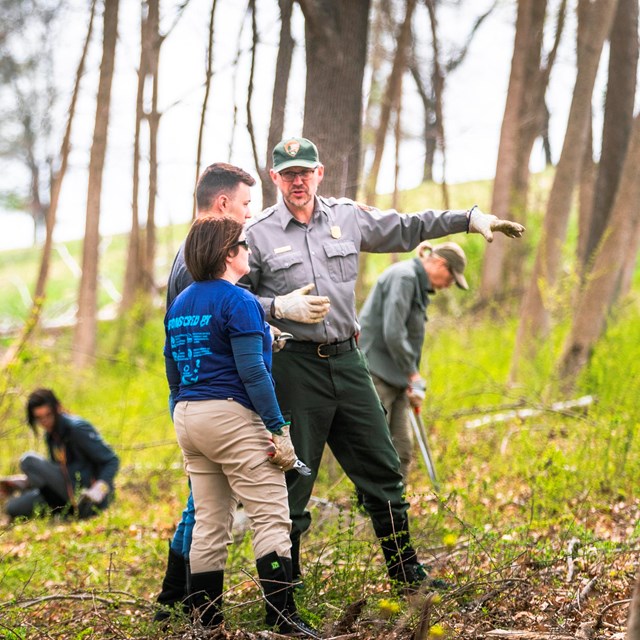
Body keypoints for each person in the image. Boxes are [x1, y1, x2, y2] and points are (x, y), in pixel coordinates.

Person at [243, 136, 525, 591]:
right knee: (290, 482)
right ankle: (283, 597)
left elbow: (410, 226)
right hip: (294, 367)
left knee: (384, 467)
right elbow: (232, 299)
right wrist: (277, 308)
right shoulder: (256, 234)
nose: (298, 181)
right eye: (289, 174)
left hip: (349, 363)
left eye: (305, 172)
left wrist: (468, 219)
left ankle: (406, 574)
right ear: (274, 178)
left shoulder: (348, 217)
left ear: (319, 173)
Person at [155, 162, 327, 628]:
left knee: (210, 522)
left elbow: (176, 363)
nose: (249, 245)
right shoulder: (241, 301)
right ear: (228, 254)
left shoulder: (182, 303)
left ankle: (205, 622)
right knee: (272, 515)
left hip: (189, 416)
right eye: (243, 242)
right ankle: (282, 616)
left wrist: (183, 406)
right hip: (231, 416)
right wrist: (279, 430)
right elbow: (253, 374)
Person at [359, 241, 469, 482]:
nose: (449, 285)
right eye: (451, 278)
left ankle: (395, 515)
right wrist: (413, 375)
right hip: (376, 374)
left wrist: (409, 377)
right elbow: (393, 332)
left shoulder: (417, 284)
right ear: (440, 264)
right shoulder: (405, 278)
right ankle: (369, 514)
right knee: (377, 451)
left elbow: (407, 334)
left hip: (395, 378)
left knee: (402, 451)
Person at [1, 389, 119, 521]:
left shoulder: (76, 429)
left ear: (57, 408)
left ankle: (77, 511)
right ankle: (61, 511)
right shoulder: (51, 436)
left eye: (48, 415)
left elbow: (111, 460)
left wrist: (99, 489)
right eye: (39, 418)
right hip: (64, 495)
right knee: (13, 507)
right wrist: (25, 482)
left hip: (88, 497)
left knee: (28, 460)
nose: (45, 421)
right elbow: (57, 473)